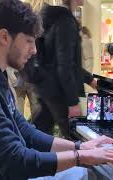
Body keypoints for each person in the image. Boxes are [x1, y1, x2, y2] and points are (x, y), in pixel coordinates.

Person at [0, 0, 113, 179]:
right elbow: (15, 163)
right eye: (29, 41)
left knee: (95, 172)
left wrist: (79, 147)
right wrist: (79, 157)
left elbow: (25, 131)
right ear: (4, 37)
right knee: (95, 175)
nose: (34, 50)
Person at [33, 0, 97, 137]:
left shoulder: (51, 18)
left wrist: (90, 79)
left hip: (45, 88)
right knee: (75, 138)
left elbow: (55, 60)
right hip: (60, 92)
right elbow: (65, 64)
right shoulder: (65, 21)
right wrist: (72, 102)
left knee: (42, 136)